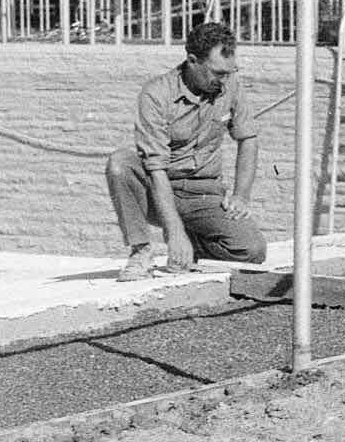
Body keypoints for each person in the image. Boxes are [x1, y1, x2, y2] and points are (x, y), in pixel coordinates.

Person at [105, 20, 267, 280]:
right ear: (192, 61)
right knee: (121, 163)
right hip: (161, 190)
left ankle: (189, 247)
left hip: (204, 194)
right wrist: (173, 232)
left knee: (252, 250)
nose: (224, 79)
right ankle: (141, 250)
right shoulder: (156, 93)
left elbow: (248, 138)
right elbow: (155, 168)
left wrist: (241, 196)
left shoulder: (231, 82)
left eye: (230, 71)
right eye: (217, 73)